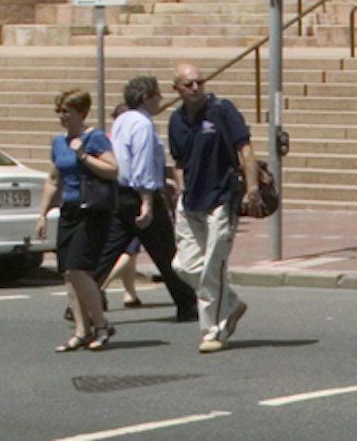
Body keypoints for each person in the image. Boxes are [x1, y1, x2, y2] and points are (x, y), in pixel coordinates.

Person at [165, 60, 268, 356]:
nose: (196, 88)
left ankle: (214, 330)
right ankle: (232, 304)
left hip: (221, 199)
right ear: (177, 89)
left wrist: (252, 189)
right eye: (189, 84)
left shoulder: (222, 111)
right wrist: (181, 193)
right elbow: (180, 162)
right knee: (183, 266)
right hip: (191, 202)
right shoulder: (176, 120)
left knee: (213, 267)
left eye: (200, 81)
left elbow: (244, 149)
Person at [39, 89, 123, 353]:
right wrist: (42, 214)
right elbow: (54, 180)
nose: (62, 117)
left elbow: (113, 170)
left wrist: (84, 156)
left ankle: (100, 324)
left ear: (81, 113)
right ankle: (80, 330)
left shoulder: (94, 138)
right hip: (70, 210)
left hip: (92, 210)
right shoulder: (58, 142)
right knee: (68, 274)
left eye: (67, 111)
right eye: (59, 112)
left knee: (78, 269)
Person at [106, 73, 192, 323]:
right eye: (157, 96)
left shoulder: (121, 120)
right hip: (140, 194)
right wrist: (147, 200)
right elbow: (141, 163)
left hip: (120, 192)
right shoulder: (142, 124)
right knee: (166, 252)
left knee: (109, 250)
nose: (160, 101)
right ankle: (186, 302)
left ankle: (83, 297)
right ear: (146, 98)